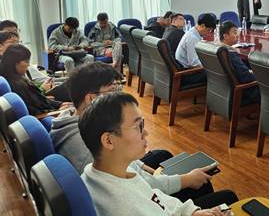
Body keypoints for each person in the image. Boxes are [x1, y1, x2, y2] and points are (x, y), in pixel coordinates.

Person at [52, 63, 235, 208]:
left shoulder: (74, 120)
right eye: (112, 91)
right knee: (221, 194)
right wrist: (186, 180)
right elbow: (142, 191)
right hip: (145, 197)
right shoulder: (88, 151)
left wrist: (152, 172)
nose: (118, 95)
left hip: (143, 190)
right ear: (91, 99)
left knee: (162, 155)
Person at [79, 92, 237, 216]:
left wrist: (191, 212)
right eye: (138, 126)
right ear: (108, 140)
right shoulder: (124, 206)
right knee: (230, 198)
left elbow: (154, 196)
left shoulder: (111, 170)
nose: (146, 133)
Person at [0, 44, 72, 115]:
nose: (28, 65)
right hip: (45, 116)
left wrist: (60, 104)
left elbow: (39, 99)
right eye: (26, 61)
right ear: (15, 63)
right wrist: (57, 111)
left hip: (49, 110)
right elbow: (33, 110)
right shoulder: (14, 85)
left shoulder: (20, 78)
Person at [219, 21, 260, 105]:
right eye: (234, 33)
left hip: (223, 91)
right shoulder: (230, 54)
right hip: (246, 92)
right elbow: (246, 77)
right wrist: (262, 76)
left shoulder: (217, 49)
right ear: (225, 36)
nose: (237, 35)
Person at [175, 14, 217, 85]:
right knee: (218, 75)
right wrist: (211, 67)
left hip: (187, 69)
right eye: (209, 30)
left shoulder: (193, 32)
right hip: (188, 74)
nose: (208, 33)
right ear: (202, 26)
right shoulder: (192, 38)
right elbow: (194, 64)